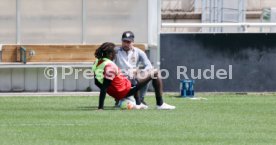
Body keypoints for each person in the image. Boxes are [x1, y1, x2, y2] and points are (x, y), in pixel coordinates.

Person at [92, 42, 175, 110]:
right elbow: (104, 88)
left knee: (132, 76)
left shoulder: (96, 63)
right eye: (114, 53)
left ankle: (138, 103)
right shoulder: (110, 66)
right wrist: (100, 108)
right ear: (110, 54)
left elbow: (97, 83)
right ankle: (160, 104)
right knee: (155, 72)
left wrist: (113, 91)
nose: (115, 55)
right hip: (125, 90)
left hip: (120, 91)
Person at [114, 31, 151, 105]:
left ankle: (141, 98)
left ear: (133, 42)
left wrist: (139, 71)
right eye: (124, 41)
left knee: (149, 75)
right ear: (121, 41)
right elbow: (109, 64)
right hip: (120, 79)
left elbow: (149, 66)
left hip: (134, 77)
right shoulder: (115, 51)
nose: (126, 44)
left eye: (128, 42)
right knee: (127, 102)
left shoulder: (139, 52)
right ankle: (119, 98)